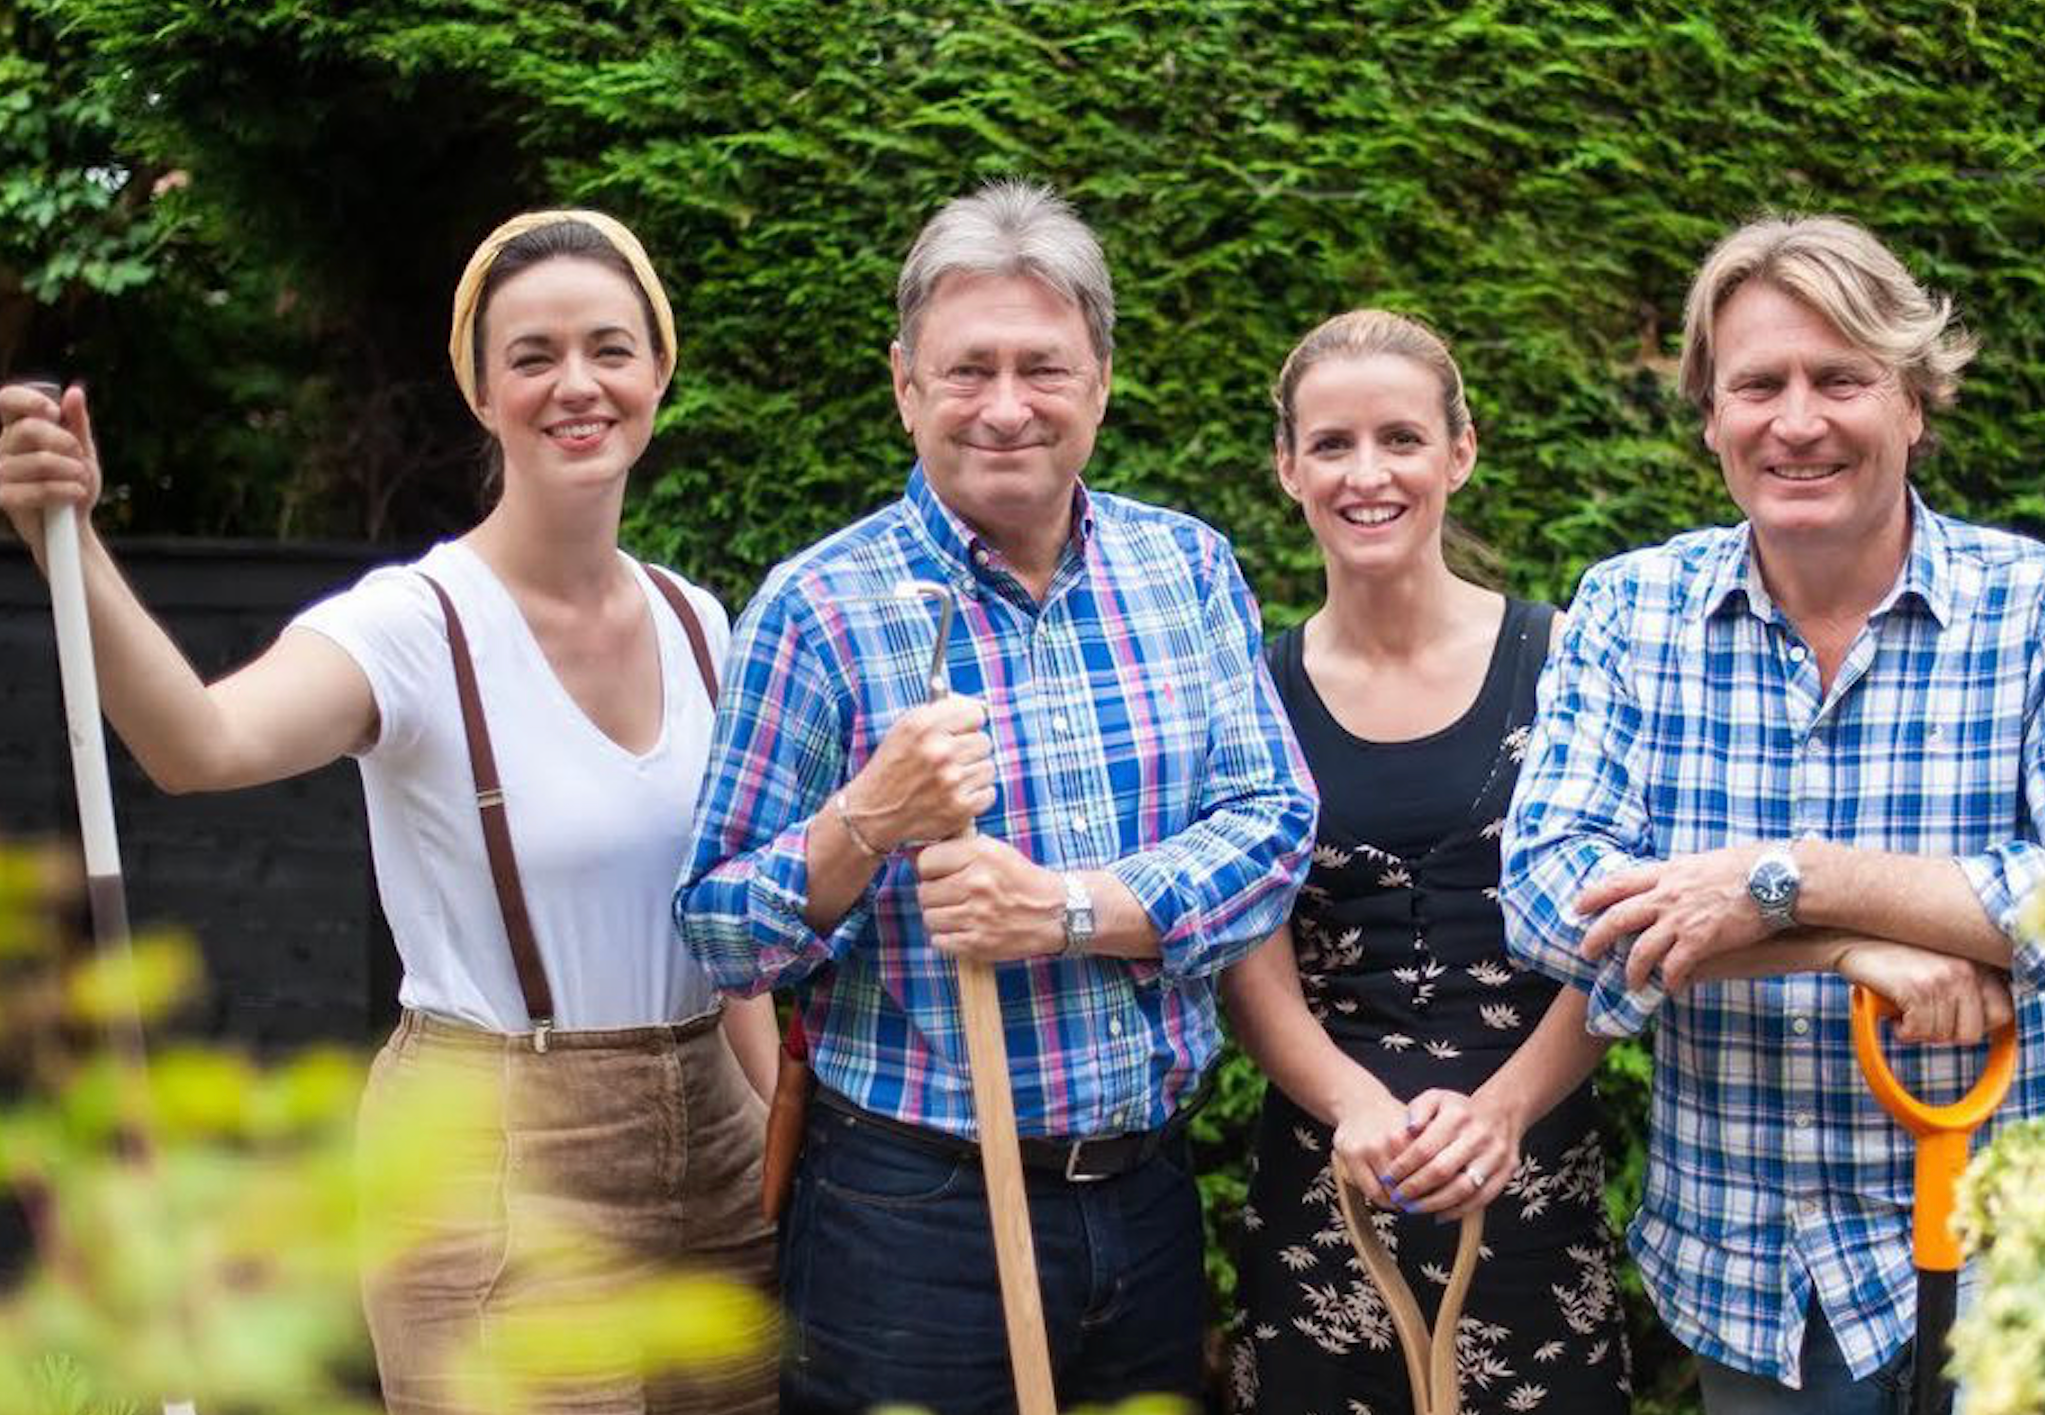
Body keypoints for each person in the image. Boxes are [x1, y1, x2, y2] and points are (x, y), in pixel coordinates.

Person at [0, 210, 778, 1414]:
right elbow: (198, 745)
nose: (576, 383)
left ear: (658, 371)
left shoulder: (699, 622)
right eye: (532, 356)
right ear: (480, 391)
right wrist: (74, 545)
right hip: (497, 1158)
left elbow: (729, 931)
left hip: (713, 1151)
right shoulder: (416, 625)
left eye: (609, 348)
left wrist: (773, 1125)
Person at [676, 178, 1318, 1415]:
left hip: (1142, 1196)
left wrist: (1063, 907)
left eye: (1044, 367)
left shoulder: (1183, 566)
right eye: (968, 369)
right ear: (905, 383)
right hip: (908, 1220)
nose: (1007, 406)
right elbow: (714, 927)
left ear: (1101, 380)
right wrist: (863, 819)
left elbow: (1273, 826)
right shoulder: (817, 608)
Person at [1501, 214, 2037, 1414]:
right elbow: (1544, 895)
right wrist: (1850, 943)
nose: (1795, 420)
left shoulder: (2031, 610)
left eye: (1839, 377)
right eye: (1757, 384)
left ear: (1911, 401)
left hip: (2010, 1276)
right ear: (1710, 417)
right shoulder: (1629, 607)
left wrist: (1782, 875)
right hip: (1752, 1278)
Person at [1223, 310, 1631, 1414]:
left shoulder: (1565, 663)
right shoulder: (1250, 691)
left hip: (1531, 1184)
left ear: (1459, 450)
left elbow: (1621, 934)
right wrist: (1350, 1101)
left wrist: (1500, 1111)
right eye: (1331, 444)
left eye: (1400, 438)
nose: (1367, 474)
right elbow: (1240, 951)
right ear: (1286, 466)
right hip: (1325, 1183)